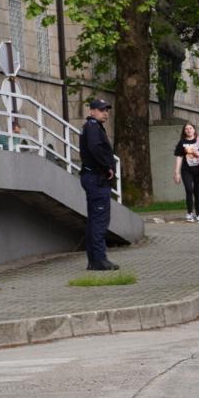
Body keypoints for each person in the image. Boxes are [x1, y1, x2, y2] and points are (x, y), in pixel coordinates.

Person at [77, 96, 119, 270]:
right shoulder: (93, 127)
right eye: (102, 110)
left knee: (95, 220)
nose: (106, 114)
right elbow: (95, 149)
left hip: (94, 177)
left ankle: (94, 260)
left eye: (107, 110)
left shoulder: (93, 127)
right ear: (92, 111)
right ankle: (99, 260)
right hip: (97, 178)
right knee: (99, 220)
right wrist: (107, 167)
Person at [171, 122, 199, 222]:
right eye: (186, 129)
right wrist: (177, 173)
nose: (189, 130)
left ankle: (198, 214)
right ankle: (190, 213)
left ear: (194, 130)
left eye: (190, 128)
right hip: (186, 170)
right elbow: (179, 157)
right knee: (189, 190)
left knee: (197, 192)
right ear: (184, 131)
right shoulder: (181, 143)